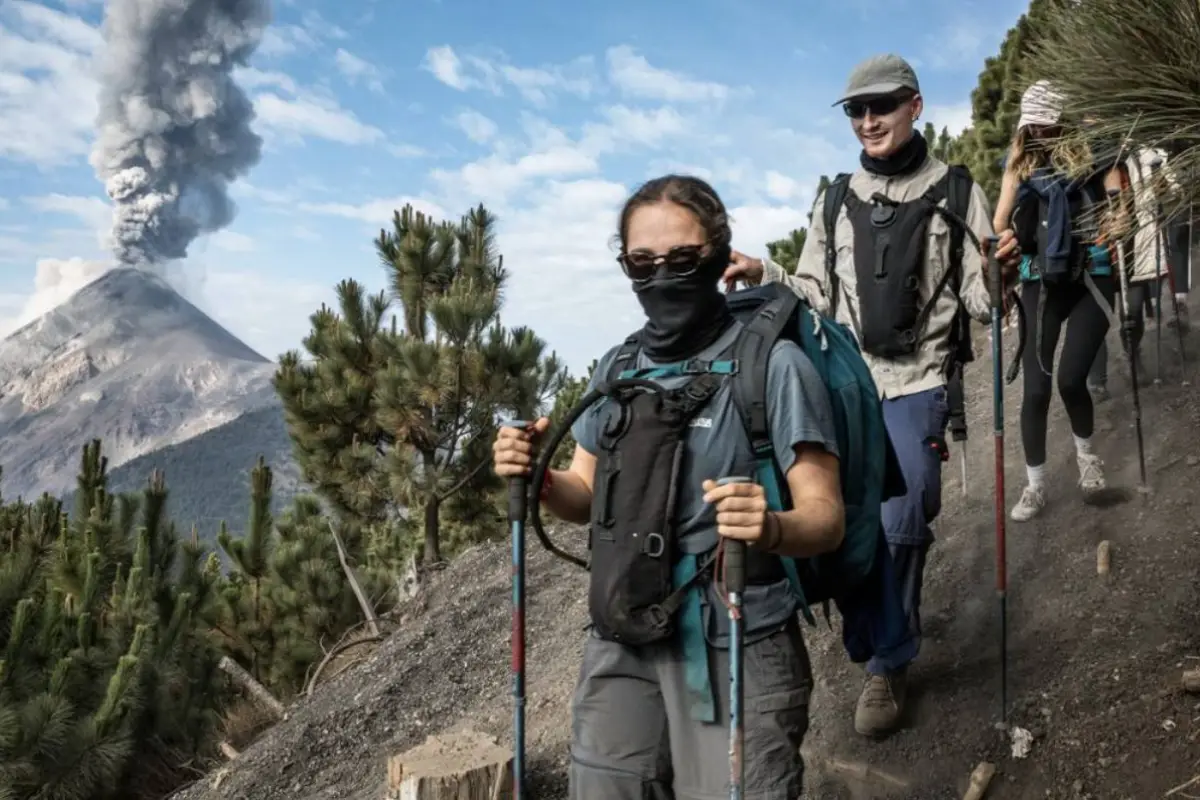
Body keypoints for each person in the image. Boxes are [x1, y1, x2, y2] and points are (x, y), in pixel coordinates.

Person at [493, 174, 846, 798]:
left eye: (684, 259)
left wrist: (770, 526)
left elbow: (825, 517)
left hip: (734, 634)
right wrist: (540, 481)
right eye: (641, 261)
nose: (662, 275)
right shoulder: (618, 368)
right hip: (621, 629)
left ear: (717, 252)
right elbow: (584, 489)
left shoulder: (774, 366)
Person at [722, 53, 1021, 738]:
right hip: (853, 384)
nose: (867, 120)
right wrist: (763, 270)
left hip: (921, 380)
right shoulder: (836, 198)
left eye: (880, 105)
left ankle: (888, 660)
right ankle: (879, 628)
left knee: (906, 512)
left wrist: (1002, 274)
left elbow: (980, 298)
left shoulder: (958, 190)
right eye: (856, 110)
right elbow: (815, 293)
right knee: (854, 521)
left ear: (915, 106)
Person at [992, 80, 1127, 522]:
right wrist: (1004, 241)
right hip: (1039, 281)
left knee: (1071, 380)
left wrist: (1118, 218)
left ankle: (1088, 460)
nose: (1041, 134)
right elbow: (999, 221)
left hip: (1092, 274)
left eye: (1048, 126)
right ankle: (1035, 486)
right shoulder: (1019, 163)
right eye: (1034, 127)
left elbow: (1118, 203)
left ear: (1063, 121)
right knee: (1035, 389)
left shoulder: (1095, 151)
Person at [1088, 144, 1183, 397]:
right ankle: (1096, 377)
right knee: (1095, 312)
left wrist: (1163, 184)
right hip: (1101, 248)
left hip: (1136, 248)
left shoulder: (1150, 156)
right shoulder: (1091, 159)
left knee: (1133, 309)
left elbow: (1173, 196)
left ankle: (1131, 351)